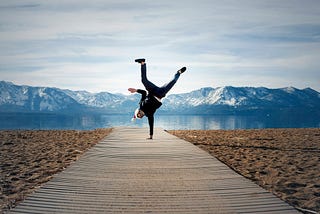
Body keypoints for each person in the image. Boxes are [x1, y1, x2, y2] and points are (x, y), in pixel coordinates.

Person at [128, 58, 186, 140]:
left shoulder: (140, 104)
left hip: (153, 90)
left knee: (144, 80)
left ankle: (142, 63)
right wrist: (151, 136)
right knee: (172, 82)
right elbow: (151, 123)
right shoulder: (149, 115)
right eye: (140, 117)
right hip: (161, 93)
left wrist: (136, 90)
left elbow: (144, 92)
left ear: (138, 111)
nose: (140, 116)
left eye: (139, 115)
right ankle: (178, 73)